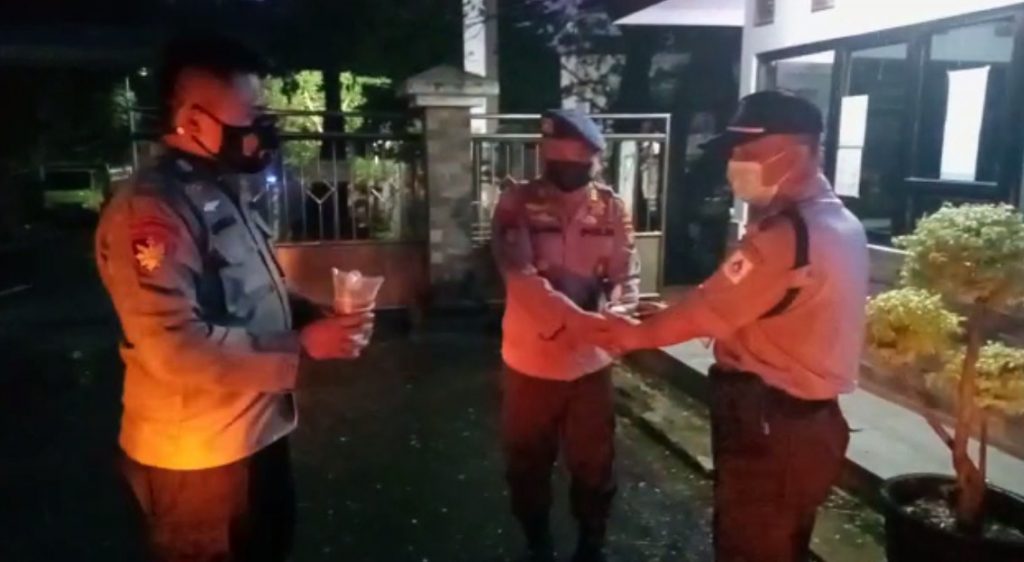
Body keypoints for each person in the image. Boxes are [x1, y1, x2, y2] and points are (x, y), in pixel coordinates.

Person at [94, 36, 375, 562]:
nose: (264, 131)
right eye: (252, 117)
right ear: (192, 121)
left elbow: (255, 284)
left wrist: (312, 314)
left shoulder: (221, 188)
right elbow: (172, 346)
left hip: (255, 435)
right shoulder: (152, 210)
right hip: (199, 461)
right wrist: (301, 345)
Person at [585, 90, 869, 562]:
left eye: (749, 150)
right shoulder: (837, 223)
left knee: (750, 545)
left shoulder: (787, 236)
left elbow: (708, 310)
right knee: (783, 542)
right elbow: (751, 303)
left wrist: (633, 336)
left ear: (798, 152)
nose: (736, 162)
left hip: (771, 425)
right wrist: (668, 314)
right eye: (735, 151)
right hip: (803, 426)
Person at [491, 109, 641, 562]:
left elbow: (626, 275)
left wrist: (618, 314)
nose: (563, 168)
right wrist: (580, 322)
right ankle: (538, 544)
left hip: (590, 366)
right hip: (530, 363)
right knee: (526, 467)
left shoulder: (611, 208)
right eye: (554, 158)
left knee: (595, 468)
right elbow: (520, 277)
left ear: (594, 158)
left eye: (575, 159)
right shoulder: (516, 204)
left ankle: (591, 546)